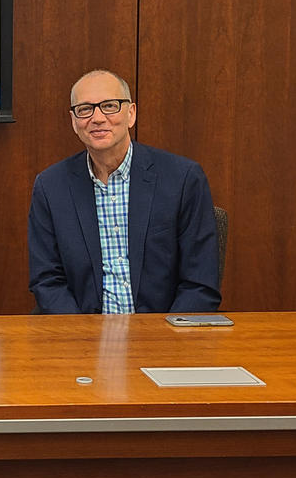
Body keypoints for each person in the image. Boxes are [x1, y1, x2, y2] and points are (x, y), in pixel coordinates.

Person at [28, 69, 220, 314]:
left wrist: (164, 342)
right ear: (74, 121)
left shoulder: (182, 179)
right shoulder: (51, 186)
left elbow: (200, 283)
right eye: (85, 109)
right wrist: (81, 337)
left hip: (162, 337)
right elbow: (47, 280)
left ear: (131, 114)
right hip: (82, 338)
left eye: (109, 106)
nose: (97, 118)